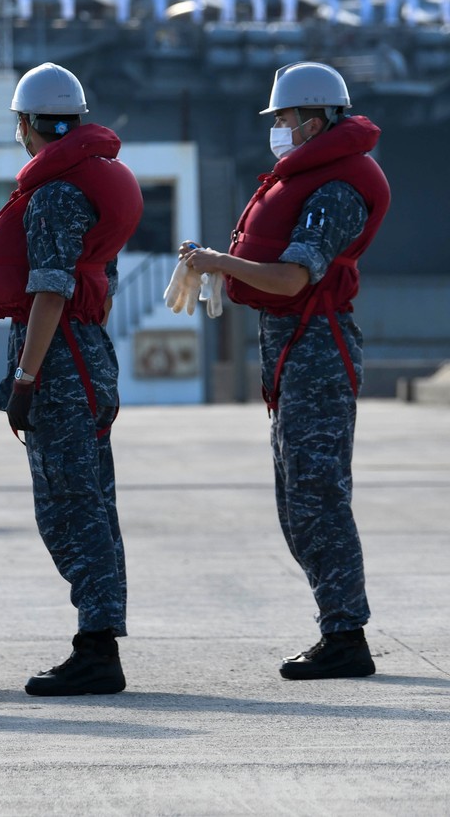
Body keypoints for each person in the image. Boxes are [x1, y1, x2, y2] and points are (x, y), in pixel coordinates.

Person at [179, 62, 389, 680]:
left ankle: (346, 636)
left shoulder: (336, 190)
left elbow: (294, 276)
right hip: (295, 347)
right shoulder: (315, 176)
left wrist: (222, 260)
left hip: (317, 347)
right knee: (297, 497)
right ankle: (339, 626)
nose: (280, 129)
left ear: (317, 119)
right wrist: (223, 266)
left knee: (317, 495)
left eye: (286, 118)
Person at [0, 63, 142, 695]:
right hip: (89, 353)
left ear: (26, 124)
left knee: (71, 508)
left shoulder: (52, 195)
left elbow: (48, 292)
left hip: (60, 360)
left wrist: (24, 378)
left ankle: (97, 649)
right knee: (94, 504)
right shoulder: (91, 181)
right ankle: (100, 638)